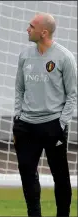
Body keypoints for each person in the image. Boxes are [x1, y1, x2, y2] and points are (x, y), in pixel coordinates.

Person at [13, 12, 77, 217]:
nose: (27, 29)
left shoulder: (64, 57)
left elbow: (72, 94)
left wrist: (62, 123)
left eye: (31, 26)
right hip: (26, 126)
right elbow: (19, 89)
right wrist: (17, 116)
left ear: (44, 32)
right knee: (27, 172)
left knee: (60, 175)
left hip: (53, 125)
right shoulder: (24, 55)